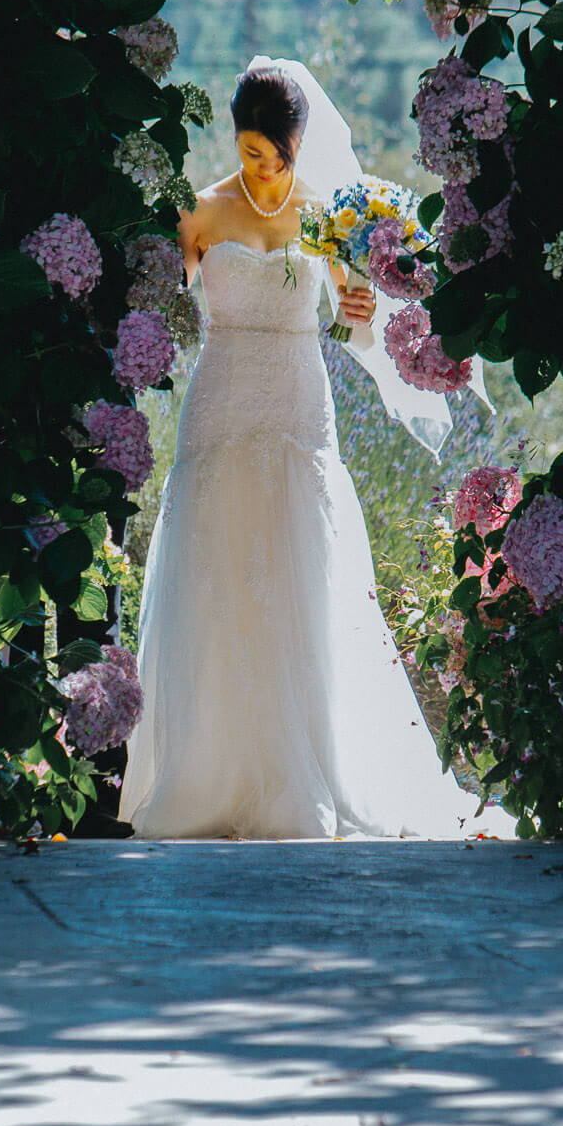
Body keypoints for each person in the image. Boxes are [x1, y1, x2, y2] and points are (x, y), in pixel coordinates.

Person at [116, 57, 523, 841]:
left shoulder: (330, 216)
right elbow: (163, 308)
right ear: (234, 139)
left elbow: (358, 326)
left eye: (276, 154)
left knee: (301, 555)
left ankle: (308, 768)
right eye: (248, 150)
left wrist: (363, 308)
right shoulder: (200, 215)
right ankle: (207, 771)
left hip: (299, 397)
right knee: (217, 558)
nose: (263, 168)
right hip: (224, 394)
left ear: (300, 148)